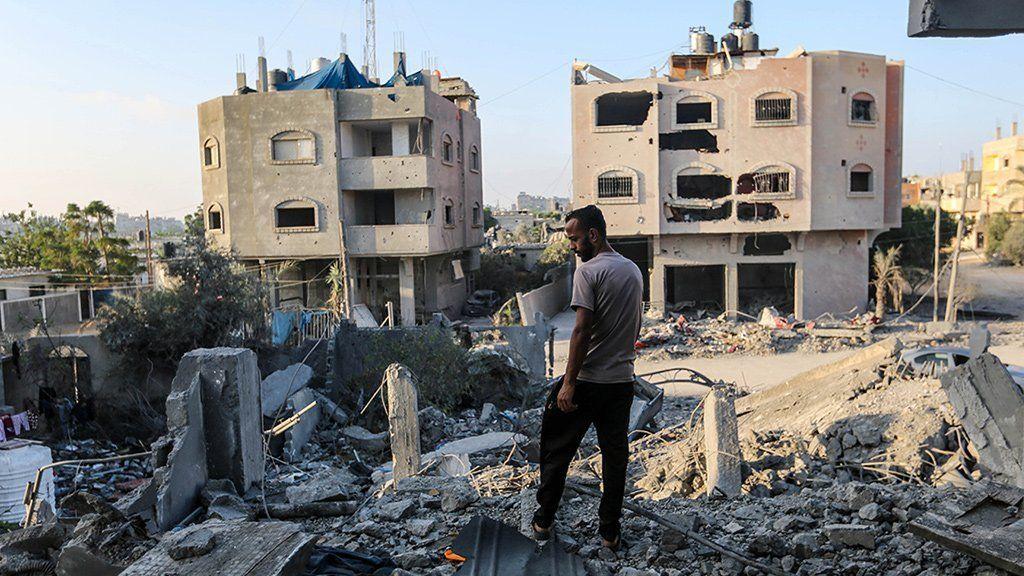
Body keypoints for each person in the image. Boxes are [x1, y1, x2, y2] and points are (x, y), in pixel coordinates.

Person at [532, 204, 643, 550]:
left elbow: (580, 330)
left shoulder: (588, 272)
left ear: (593, 235)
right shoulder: (633, 270)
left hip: (588, 383)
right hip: (622, 383)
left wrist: (568, 383)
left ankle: (543, 523)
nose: (572, 246)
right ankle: (609, 533)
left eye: (575, 239)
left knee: (556, 450)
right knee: (615, 458)